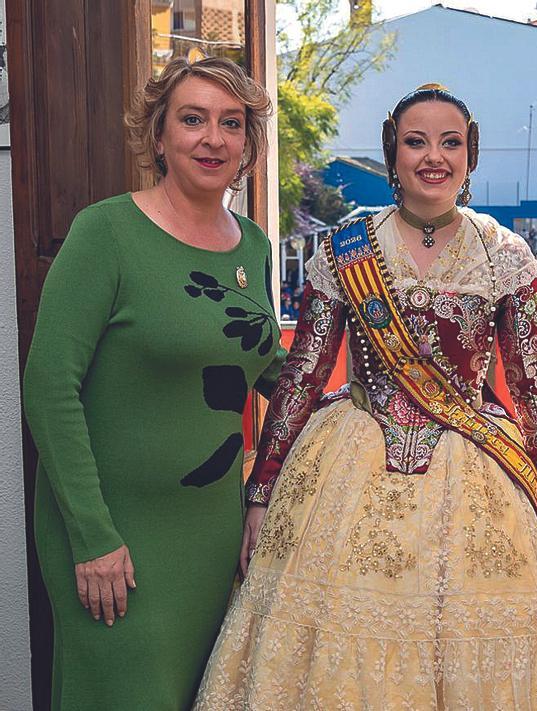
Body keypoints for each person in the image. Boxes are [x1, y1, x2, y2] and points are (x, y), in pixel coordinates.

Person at [194, 84, 537, 709]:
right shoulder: (348, 247)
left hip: (474, 464)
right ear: (392, 152)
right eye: (416, 141)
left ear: (471, 155)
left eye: (451, 143)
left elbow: (533, 381)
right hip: (350, 457)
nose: (434, 156)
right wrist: (262, 489)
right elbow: (304, 372)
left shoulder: (505, 254)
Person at [22, 56, 280, 710]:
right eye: (193, 120)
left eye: (231, 124)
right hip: (114, 541)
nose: (213, 139)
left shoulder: (252, 245)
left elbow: (270, 368)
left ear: (247, 143)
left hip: (210, 538)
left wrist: (381, 392)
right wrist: (93, 536)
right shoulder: (106, 232)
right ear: (159, 135)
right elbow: (49, 387)